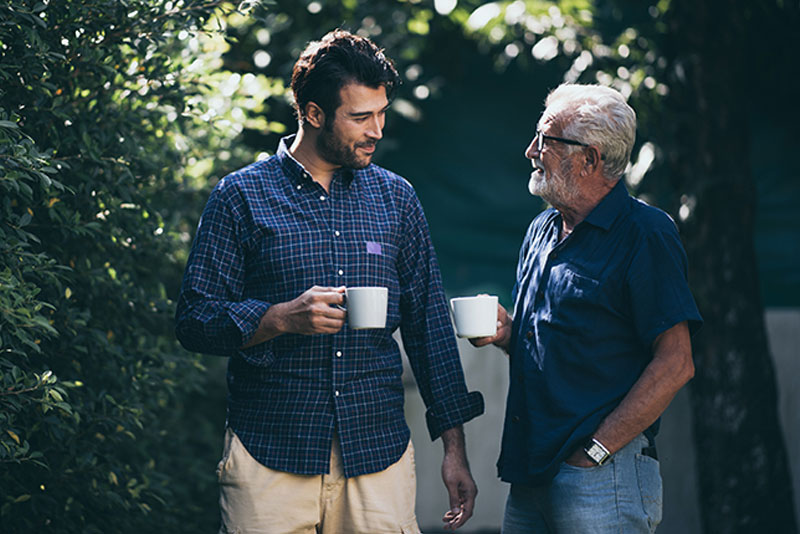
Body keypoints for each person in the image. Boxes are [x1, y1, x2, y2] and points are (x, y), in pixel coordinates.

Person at [175, 30, 483, 534]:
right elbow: (193, 320)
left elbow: (429, 329)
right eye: (361, 117)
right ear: (314, 114)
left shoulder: (396, 200)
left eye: (382, 112)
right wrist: (277, 318)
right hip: (270, 452)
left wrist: (455, 448)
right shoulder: (240, 197)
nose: (377, 130)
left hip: (377, 452)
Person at [471, 83, 703, 533]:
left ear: (590, 158)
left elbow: (677, 362)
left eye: (545, 140)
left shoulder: (646, 234)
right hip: (531, 469)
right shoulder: (541, 229)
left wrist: (596, 451)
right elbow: (557, 344)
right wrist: (507, 335)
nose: (530, 150)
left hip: (601, 472)